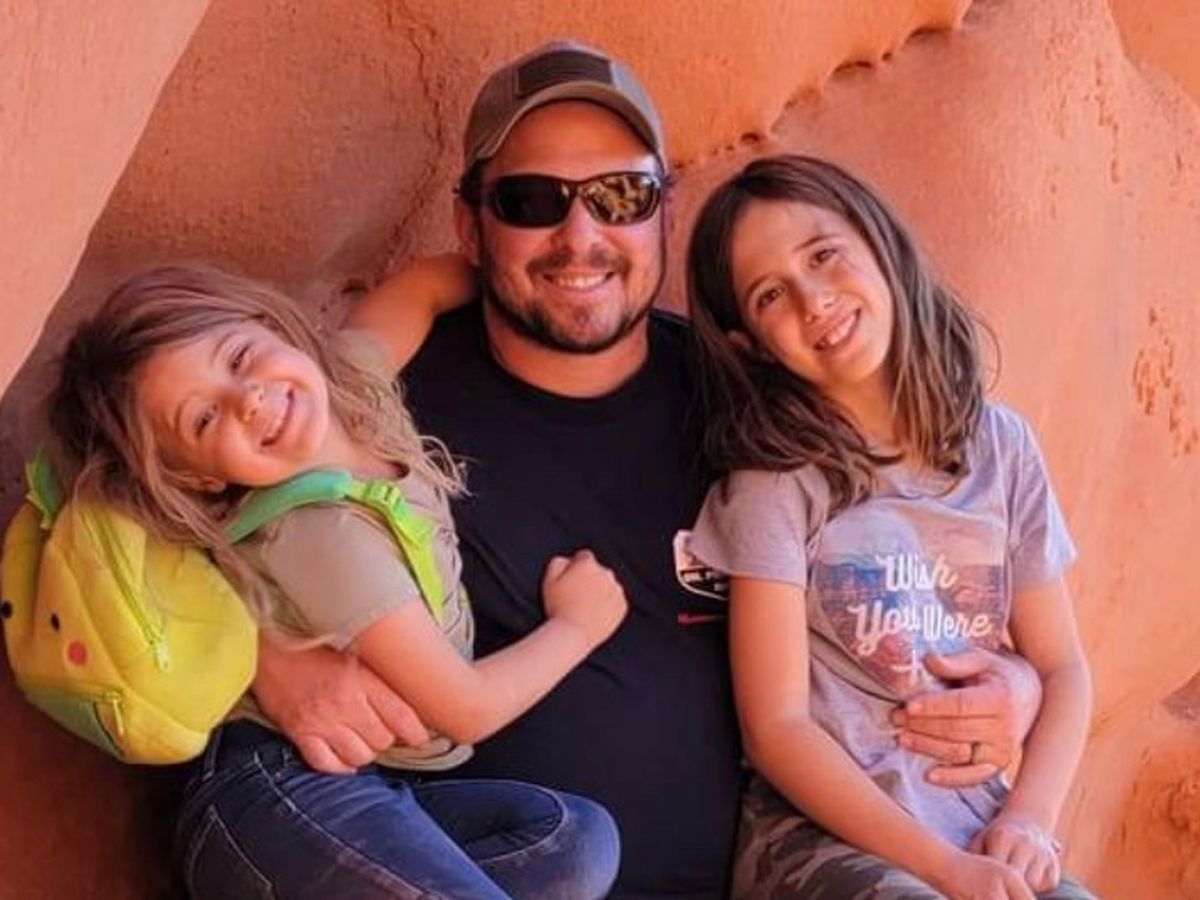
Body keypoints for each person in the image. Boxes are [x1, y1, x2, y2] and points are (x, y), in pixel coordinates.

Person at [252, 42, 1049, 899]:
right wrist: (264, 664)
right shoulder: (393, 397)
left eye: (620, 196)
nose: (580, 236)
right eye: (531, 202)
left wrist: (1022, 685)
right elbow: (199, 510)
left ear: (664, 212)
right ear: (471, 226)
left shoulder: (753, 404)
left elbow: (910, 564)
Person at [49, 262, 626, 899]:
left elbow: (421, 291)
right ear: (198, 478)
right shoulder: (320, 534)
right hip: (278, 798)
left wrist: (512, 277)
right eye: (205, 420)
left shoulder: (352, 387)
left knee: (574, 844)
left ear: (273, 328)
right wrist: (577, 625)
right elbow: (467, 708)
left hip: (376, 793)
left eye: (239, 357)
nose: (249, 399)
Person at [685, 154, 1096, 899]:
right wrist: (945, 870)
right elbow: (777, 729)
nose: (813, 300)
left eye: (823, 255)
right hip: (816, 838)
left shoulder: (1001, 447)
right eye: (771, 294)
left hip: (972, 823)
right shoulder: (776, 481)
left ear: (879, 242)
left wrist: (1029, 820)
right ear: (749, 343)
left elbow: (1064, 668)